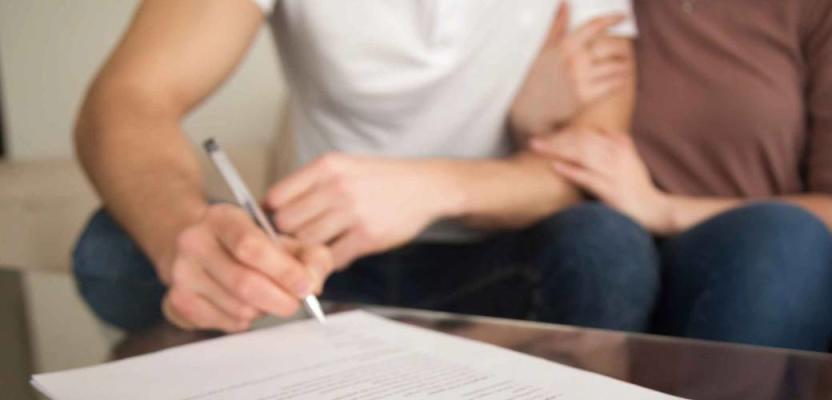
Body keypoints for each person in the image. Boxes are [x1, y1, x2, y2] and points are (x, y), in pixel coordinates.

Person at [72, 0, 654, 334]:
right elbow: (127, 99)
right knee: (113, 246)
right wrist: (181, 235)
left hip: (493, 264)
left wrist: (433, 187)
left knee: (606, 248)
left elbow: (594, 165)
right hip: (316, 267)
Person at [532, 0, 832, 365]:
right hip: (650, 261)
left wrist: (663, 208)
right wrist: (532, 109)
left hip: (786, 268)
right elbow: (547, 140)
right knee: (781, 241)